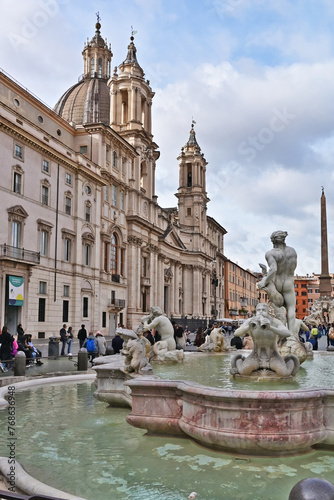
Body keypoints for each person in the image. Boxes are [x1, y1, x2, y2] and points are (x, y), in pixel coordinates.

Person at [257, 231, 297, 332]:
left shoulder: (271, 253)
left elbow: (273, 269)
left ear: (273, 241)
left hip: (277, 282)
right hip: (289, 282)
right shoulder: (292, 251)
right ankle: (291, 336)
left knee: (277, 309)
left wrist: (264, 281)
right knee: (291, 308)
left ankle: (278, 334)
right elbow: (293, 268)